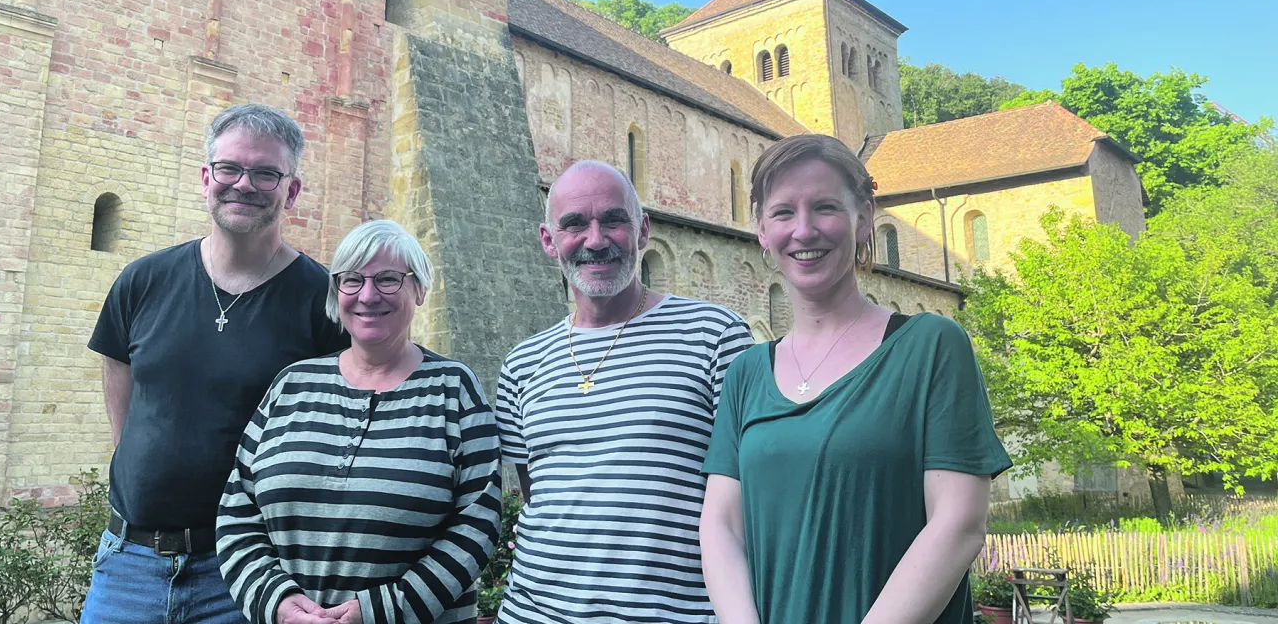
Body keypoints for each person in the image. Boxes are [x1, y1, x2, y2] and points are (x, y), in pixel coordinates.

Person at [699, 133, 1012, 624]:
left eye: (825, 207)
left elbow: (958, 524)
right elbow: (721, 525)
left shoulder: (930, 346)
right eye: (783, 213)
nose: (804, 230)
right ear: (761, 230)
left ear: (864, 217)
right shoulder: (746, 374)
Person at [84, 103, 349, 624]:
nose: (243, 184)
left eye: (266, 173)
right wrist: (134, 458)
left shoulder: (323, 301)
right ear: (207, 178)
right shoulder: (143, 280)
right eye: (229, 168)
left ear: (292, 190)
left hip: (248, 574)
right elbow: (118, 365)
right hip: (128, 561)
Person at [494, 160, 755, 624]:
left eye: (613, 220)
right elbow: (537, 497)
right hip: (531, 614)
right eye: (575, 224)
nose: (596, 240)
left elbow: (751, 497)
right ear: (549, 241)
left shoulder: (715, 336)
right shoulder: (522, 363)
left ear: (643, 231)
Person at [218, 218, 503, 624]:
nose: (368, 295)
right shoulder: (292, 385)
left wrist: (380, 612)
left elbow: (478, 522)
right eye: (351, 280)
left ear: (420, 289)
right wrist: (278, 604)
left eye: (388, 279)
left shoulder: (454, 389)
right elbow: (237, 512)